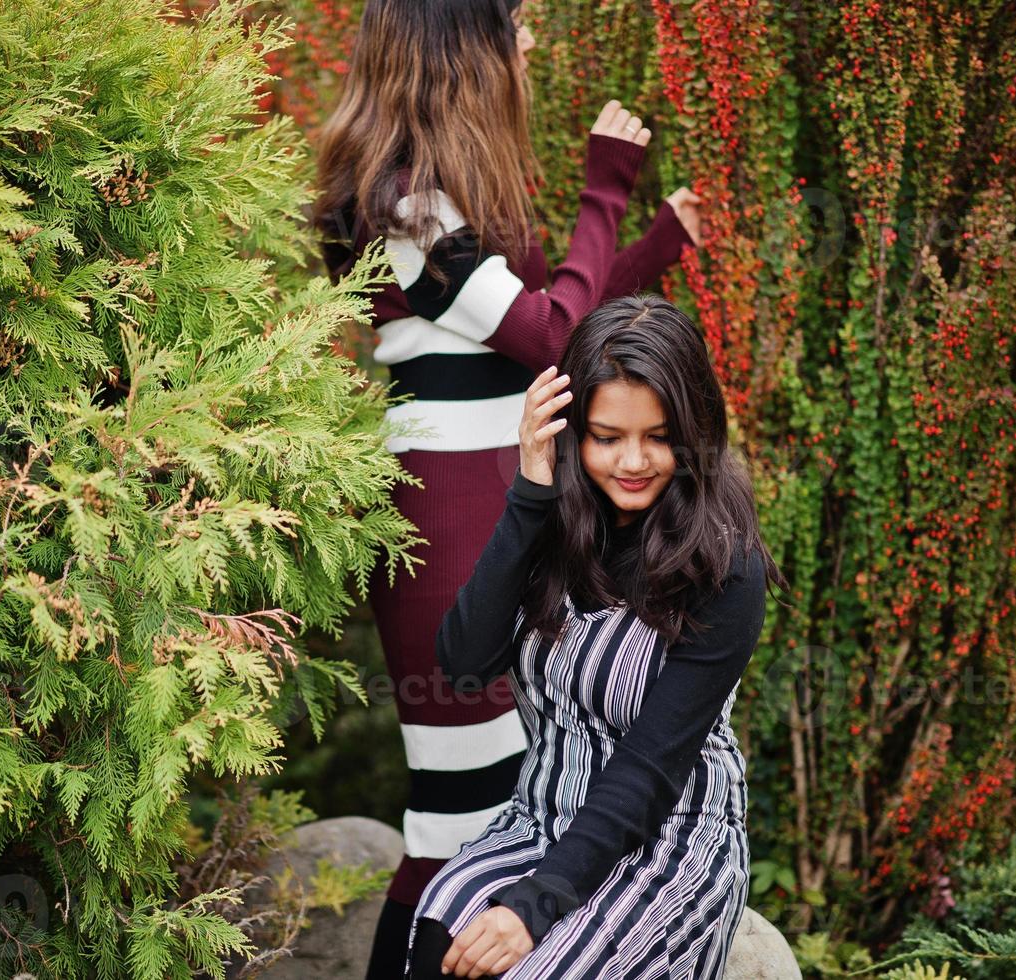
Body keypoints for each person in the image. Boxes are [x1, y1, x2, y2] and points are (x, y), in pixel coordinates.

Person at [311, 1, 703, 976]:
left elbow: (552, 318)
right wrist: (605, 187)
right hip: (446, 524)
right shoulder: (406, 205)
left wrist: (655, 242)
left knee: (504, 806)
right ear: (458, 45)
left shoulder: (445, 197)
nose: (529, 42)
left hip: (501, 510)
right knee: (458, 813)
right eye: (514, 23)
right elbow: (547, 337)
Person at [404, 293, 786, 978]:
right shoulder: (556, 519)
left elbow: (649, 769)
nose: (632, 461)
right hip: (539, 818)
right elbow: (461, 667)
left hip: (668, 836)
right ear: (571, 429)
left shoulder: (726, 565)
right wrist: (528, 492)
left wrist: (533, 907)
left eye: (658, 435)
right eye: (606, 437)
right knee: (439, 931)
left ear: (692, 429)